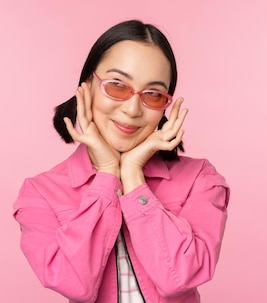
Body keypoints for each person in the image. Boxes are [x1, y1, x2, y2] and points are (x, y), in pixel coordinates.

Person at [13, 20, 230, 303]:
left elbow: (180, 277)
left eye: (153, 94)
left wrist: (132, 175)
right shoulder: (40, 193)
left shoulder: (200, 179)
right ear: (86, 86)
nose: (131, 109)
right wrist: (106, 177)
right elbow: (71, 283)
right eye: (117, 86)